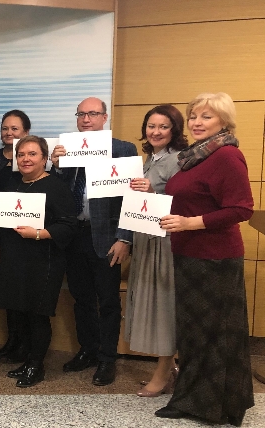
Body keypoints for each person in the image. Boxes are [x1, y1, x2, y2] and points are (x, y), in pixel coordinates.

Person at [155, 93, 254, 426]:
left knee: (215, 334)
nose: (197, 122)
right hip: (188, 255)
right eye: (193, 116)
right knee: (194, 333)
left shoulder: (227, 155)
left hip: (215, 259)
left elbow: (241, 209)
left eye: (206, 117)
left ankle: (215, 406)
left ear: (224, 121)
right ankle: (191, 399)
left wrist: (189, 223)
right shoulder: (194, 157)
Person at [50, 97, 137, 386]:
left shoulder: (122, 149)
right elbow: (60, 195)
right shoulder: (67, 149)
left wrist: (125, 237)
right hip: (74, 235)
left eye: (92, 114)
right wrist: (57, 167)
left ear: (104, 117)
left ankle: (107, 358)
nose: (86, 119)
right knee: (81, 298)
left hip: (106, 237)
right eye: (81, 114)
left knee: (108, 300)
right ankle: (87, 350)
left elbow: (132, 197)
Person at [0, 136, 77, 387]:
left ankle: (36, 366)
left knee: (37, 314)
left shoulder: (56, 186)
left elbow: (68, 225)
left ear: (44, 159)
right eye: (21, 155)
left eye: (32, 154)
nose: (26, 159)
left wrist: (39, 234)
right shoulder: (13, 185)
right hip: (15, 259)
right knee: (19, 312)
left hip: (44, 260)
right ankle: (27, 359)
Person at [125, 105, 188, 397]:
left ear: (174, 130)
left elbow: (184, 201)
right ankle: (170, 369)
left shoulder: (179, 160)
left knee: (164, 306)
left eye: (163, 126)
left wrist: (153, 193)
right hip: (146, 239)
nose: (156, 132)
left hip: (165, 243)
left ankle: (163, 373)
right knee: (154, 304)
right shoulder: (151, 158)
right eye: (151, 126)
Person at [0, 110, 30, 364]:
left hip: (24, 234)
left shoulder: (32, 160)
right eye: (5, 128)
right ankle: (13, 341)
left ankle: (25, 344)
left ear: (26, 132)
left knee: (22, 290)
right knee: (1, 289)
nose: (9, 133)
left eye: (15, 129)